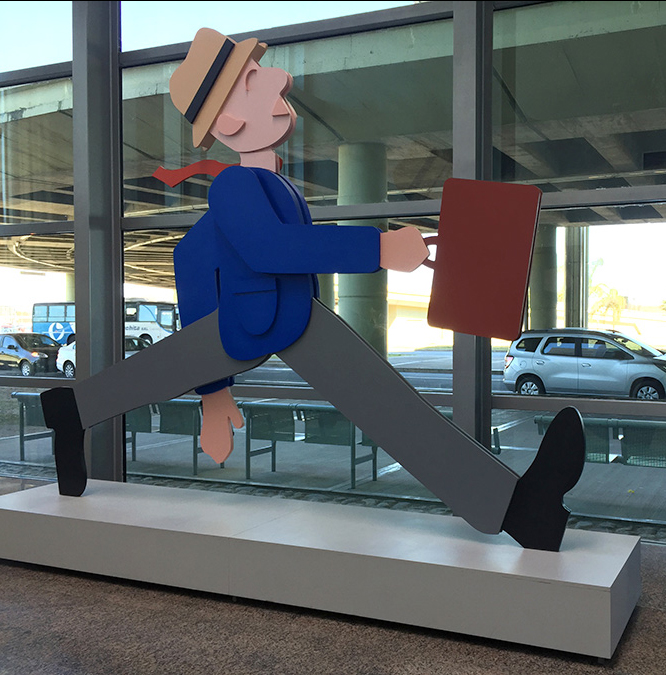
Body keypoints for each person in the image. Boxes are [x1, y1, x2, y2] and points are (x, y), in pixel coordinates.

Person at [41, 28, 585, 551]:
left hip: (285, 317)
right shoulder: (233, 184)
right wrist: (377, 251)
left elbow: (193, 257)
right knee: (390, 408)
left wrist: (214, 392)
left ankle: (520, 509)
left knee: (391, 407)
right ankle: (521, 510)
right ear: (228, 119)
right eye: (254, 79)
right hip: (253, 322)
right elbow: (270, 251)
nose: (277, 78)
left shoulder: (270, 183)